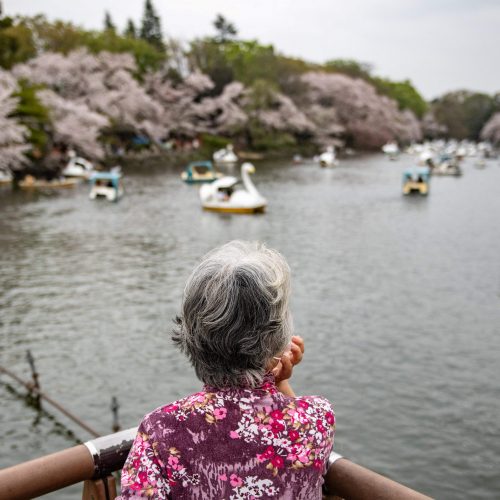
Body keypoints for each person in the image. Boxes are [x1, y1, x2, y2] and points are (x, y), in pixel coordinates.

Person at [118, 241, 335, 499]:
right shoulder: (317, 418)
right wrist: (279, 382)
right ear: (277, 337)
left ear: (190, 335)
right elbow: (290, 431)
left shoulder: (161, 430)